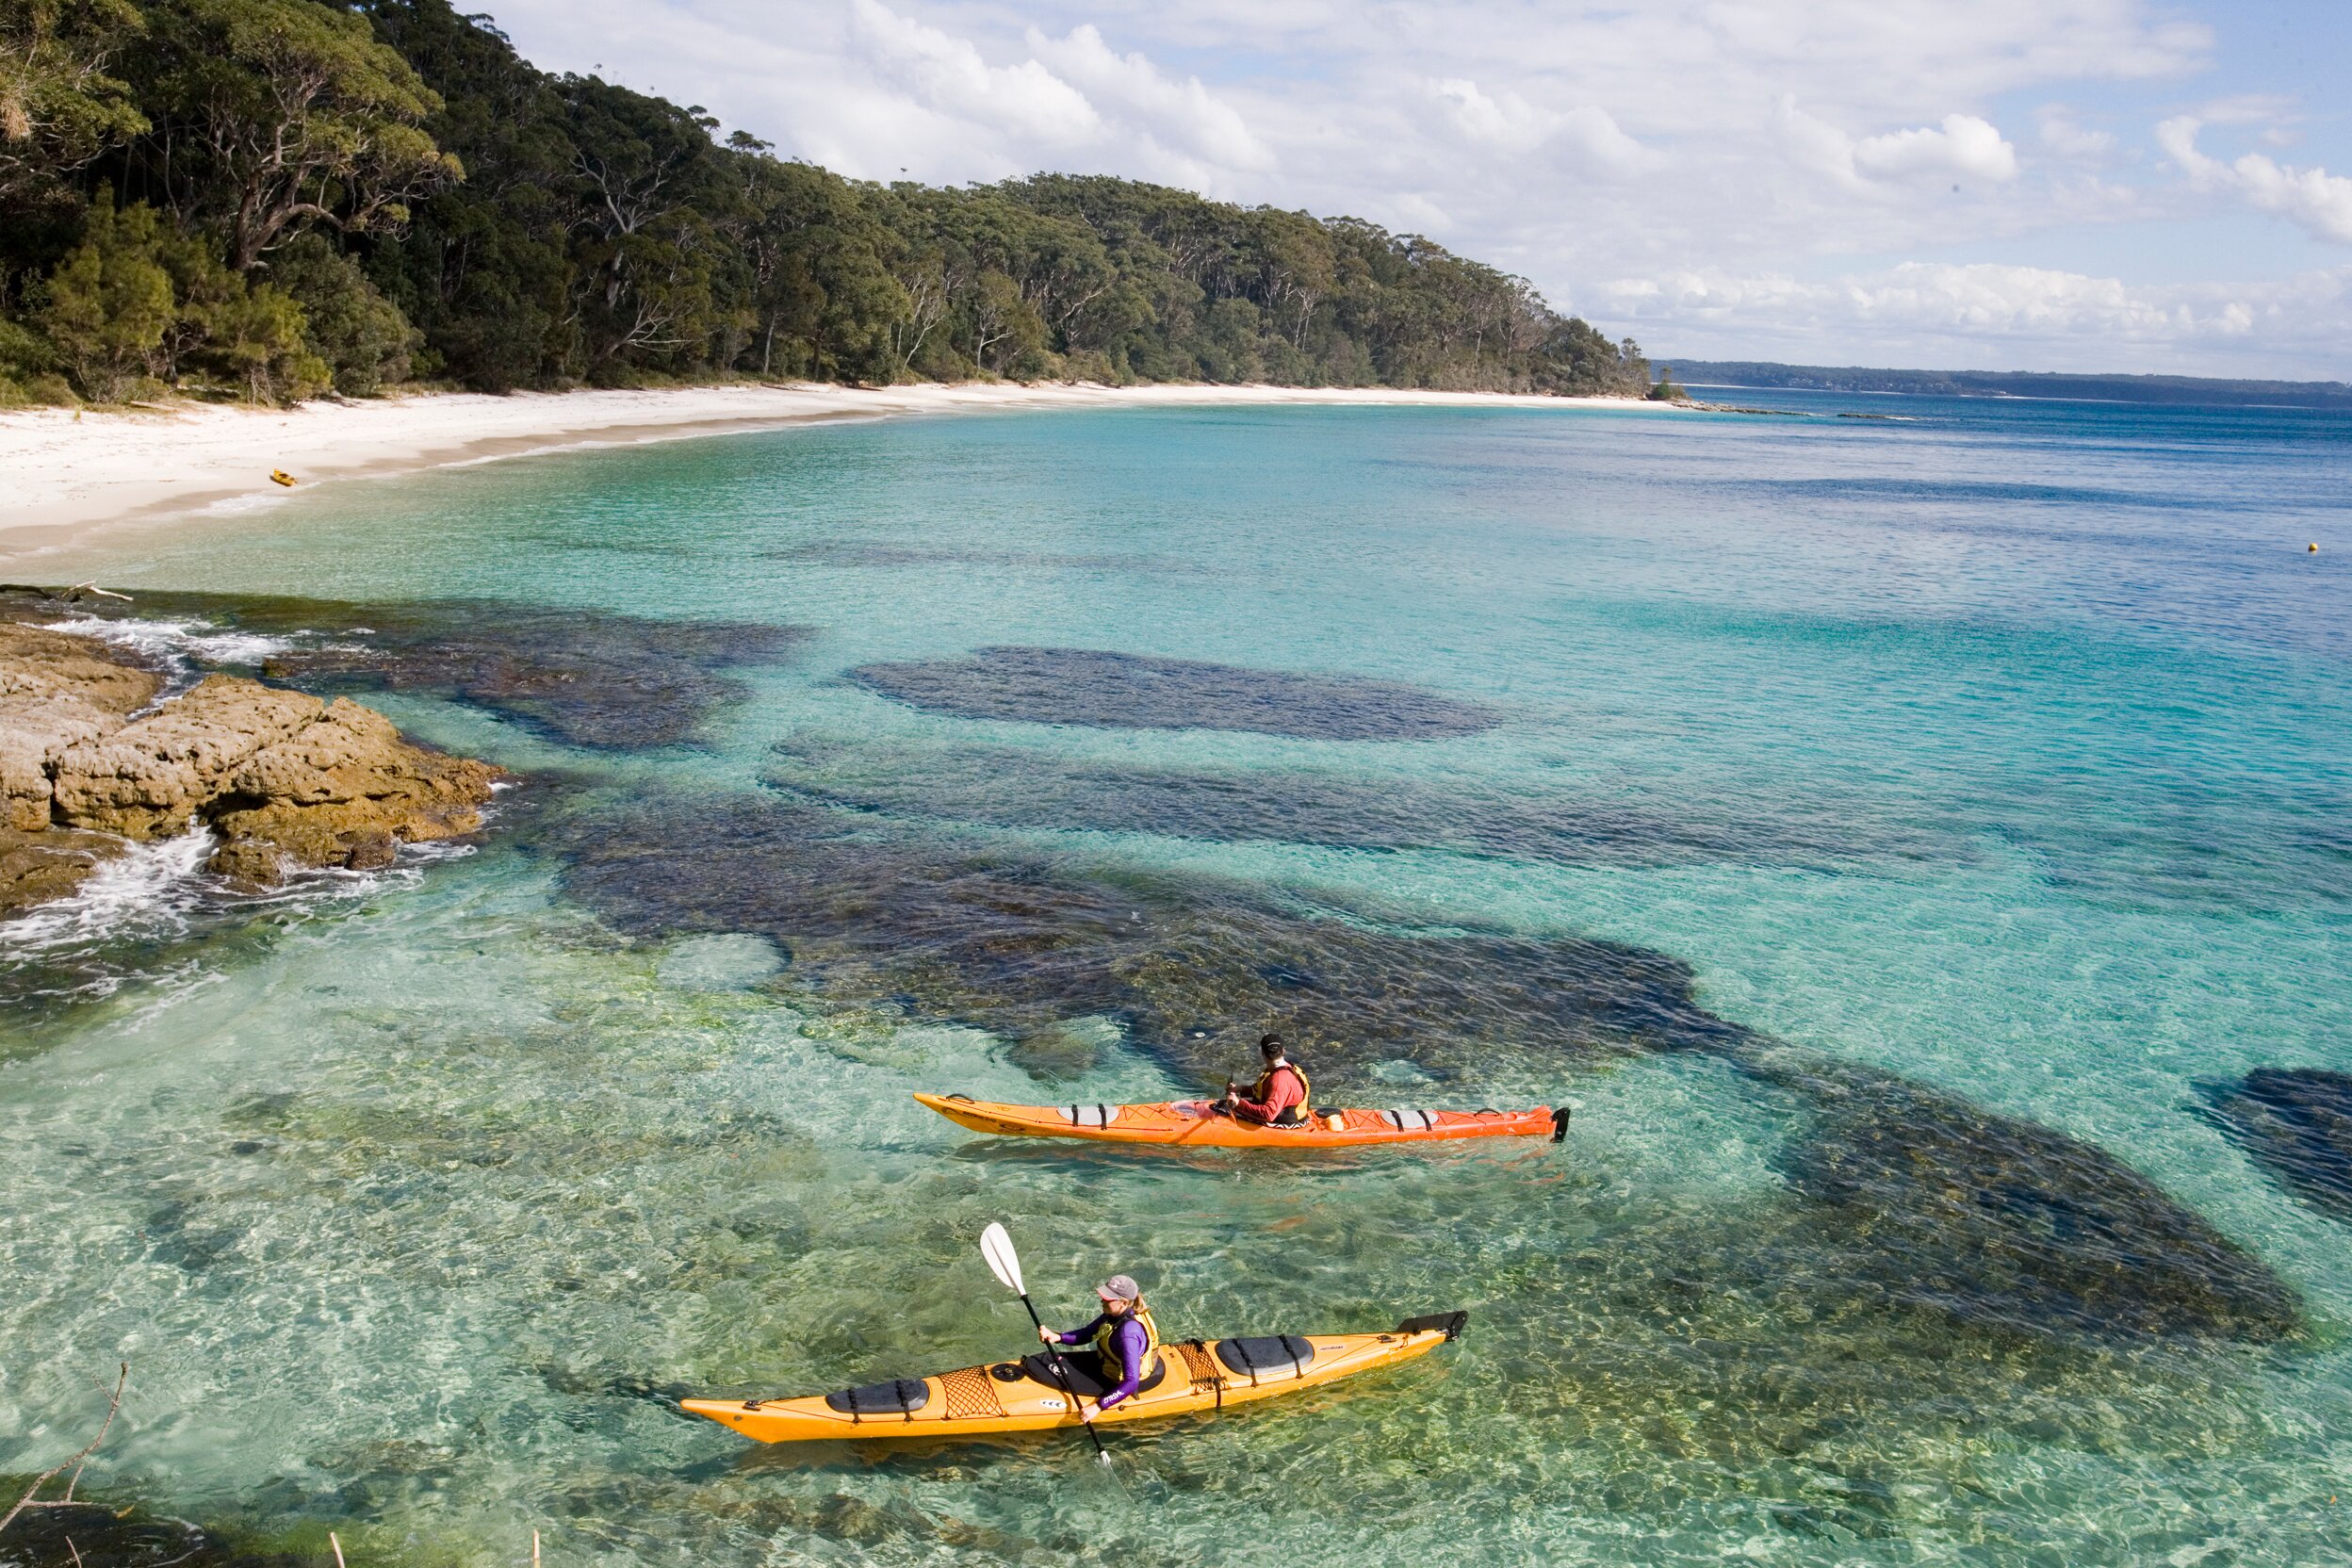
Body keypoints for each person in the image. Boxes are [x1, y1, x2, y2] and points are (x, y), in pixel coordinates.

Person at [1039, 1274, 1162, 1421]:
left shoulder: (1128, 1335)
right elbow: (1087, 1333)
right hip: (1108, 1364)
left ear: (1123, 1303)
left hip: (1120, 1380)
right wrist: (1058, 1337)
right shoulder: (1115, 1315)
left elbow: (1131, 1382)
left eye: (1108, 1299)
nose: (1102, 1300)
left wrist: (1098, 1406)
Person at [1221, 1033, 1311, 1128]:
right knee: (1228, 1105)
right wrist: (1240, 1089)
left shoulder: (1280, 1079)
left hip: (1286, 1121)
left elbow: (1268, 1114)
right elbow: (1264, 1089)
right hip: (1286, 1113)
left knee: (1225, 1110)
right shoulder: (1288, 1068)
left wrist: (1238, 1103)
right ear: (1283, 1051)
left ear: (1263, 1054)